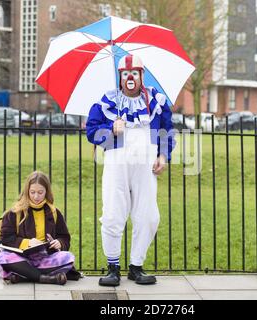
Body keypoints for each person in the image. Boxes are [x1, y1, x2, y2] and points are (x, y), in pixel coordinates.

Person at [86, 54, 175, 286]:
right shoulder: (108, 101)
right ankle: (113, 267)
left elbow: (167, 130)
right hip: (117, 164)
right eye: (126, 74)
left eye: (134, 73)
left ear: (142, 75)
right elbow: (91, 132)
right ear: (120, 77)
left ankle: (136, 266)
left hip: (145, 166)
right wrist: (110, 128)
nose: (130, 78)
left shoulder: (156, 100)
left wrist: (163, 156)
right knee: (113, 214)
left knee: (149, 216)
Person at [0, 171, 79, 285]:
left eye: (40, 192)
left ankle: (24, 276)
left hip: (45, 259)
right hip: (21, 258)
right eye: (32, 192)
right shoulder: (15, 212)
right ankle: (44, 277)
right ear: (27, 191)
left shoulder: (54, 212)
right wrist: (28, 243)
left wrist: (60, 243)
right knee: (3, 257)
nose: (36, 196)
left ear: (46, 192)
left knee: (68, 257)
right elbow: (5, 238)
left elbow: (64, 237)